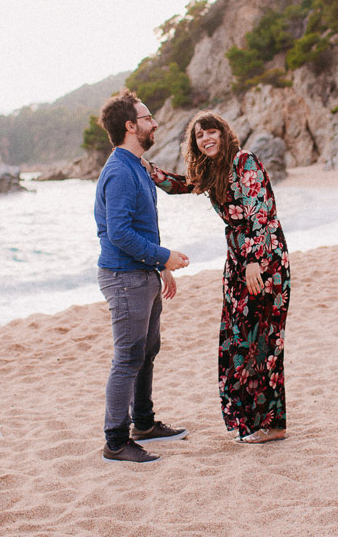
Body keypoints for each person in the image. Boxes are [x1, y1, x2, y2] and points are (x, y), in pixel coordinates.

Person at [145, 111, 290, 444]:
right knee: (238, 337)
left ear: (225, 135)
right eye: (199, 136)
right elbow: (179, 185)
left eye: (212, 132)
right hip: (237, 259)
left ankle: (273, 424)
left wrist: (254, 260)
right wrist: (149, 170)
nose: (206, 139)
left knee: (262, 340)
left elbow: (261, 210)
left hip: (264, 257)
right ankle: (260, 422)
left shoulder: (244, 161)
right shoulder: (211, 171)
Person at [94, 90, 191, 463]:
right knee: (128, 357)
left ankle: (144, 424)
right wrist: (163, 256)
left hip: (141, 272)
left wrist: (159, 265)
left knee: (147, 352)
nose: (155, 123)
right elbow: (118, 233)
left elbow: (140, 226)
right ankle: (116, 441)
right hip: (123, 277)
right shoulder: (119, 171)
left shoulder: (138, 166)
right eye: (148, 118)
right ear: (131, 126)